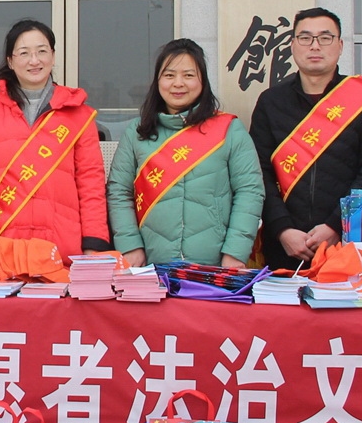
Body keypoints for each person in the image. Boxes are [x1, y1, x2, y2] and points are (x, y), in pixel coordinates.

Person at [0, 19, 110, 261]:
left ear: (53, 56)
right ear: (10, 61)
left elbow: (91, 183)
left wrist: (94, 243)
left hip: (61, 248)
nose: (34, 61)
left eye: (42, 51)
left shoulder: (78, 114)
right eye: (24, 53)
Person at [248, 7, 362, 270]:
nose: (315, 46)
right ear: (292, 45)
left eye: (325, 38)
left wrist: (336, 225)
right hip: (283, 248)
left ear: (340, 46)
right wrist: (282, 229)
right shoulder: (271, 102)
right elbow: (257, 174)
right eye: (305, 38)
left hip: (347, 244)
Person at [106, 38, 264, 268]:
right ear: (157, 81)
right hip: (150, 266)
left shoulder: (229, 130)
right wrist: (130, 247)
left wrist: (235, 253)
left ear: (202, 81)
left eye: (188, 75)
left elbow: (250, 191)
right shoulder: (137, 132)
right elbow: (119, 192)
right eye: (169, 75)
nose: (178, 83)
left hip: (215, 267)